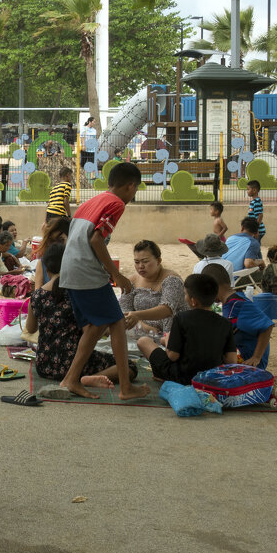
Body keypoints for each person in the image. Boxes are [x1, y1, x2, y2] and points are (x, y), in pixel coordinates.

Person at [58, 161, 148, 400]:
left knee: (97, 326)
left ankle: (70, 379)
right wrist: (115, 275)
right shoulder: (116, 203)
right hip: (87, 271)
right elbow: (97, 240)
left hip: (71, 269)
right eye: (136, 190)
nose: (134, 195)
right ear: (130, 186)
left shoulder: (92, 201)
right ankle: (126, 387)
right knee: (116, 322)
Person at [33, 242, 130, 387]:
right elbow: (89, 331)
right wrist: (112, 327)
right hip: (72, 364)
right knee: (128, 367)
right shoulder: (77, 294)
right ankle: (89, 378)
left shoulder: (37, 296)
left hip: (44, 364)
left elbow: (30, 328)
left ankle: (81, 377)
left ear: (46, 268)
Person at [136, 274, 237, 385]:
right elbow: (231, 360)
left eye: (185, 294)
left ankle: (161, 375)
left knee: (143, 341)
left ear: (193, 301)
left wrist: (167, 340)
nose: (185, 297)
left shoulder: (181, 318)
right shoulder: (225, 323)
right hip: (212, 378)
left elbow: (173, 356)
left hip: (182, 377)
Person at [203, 263, 273, 369]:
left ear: (212, 287)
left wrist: (256, 357)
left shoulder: (238, 304)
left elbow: (267, 326)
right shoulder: (229, 303)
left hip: (250, 362)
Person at [119, 239, 187, 340]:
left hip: (170, 334)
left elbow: (167, 309)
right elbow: (124, 309)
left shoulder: (172, 280)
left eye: (145, 261)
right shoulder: (132, 281)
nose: (140, 266)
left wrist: (138, 315)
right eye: (137, 262)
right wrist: (142, 324)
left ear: (158, 261)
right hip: (140, 330)